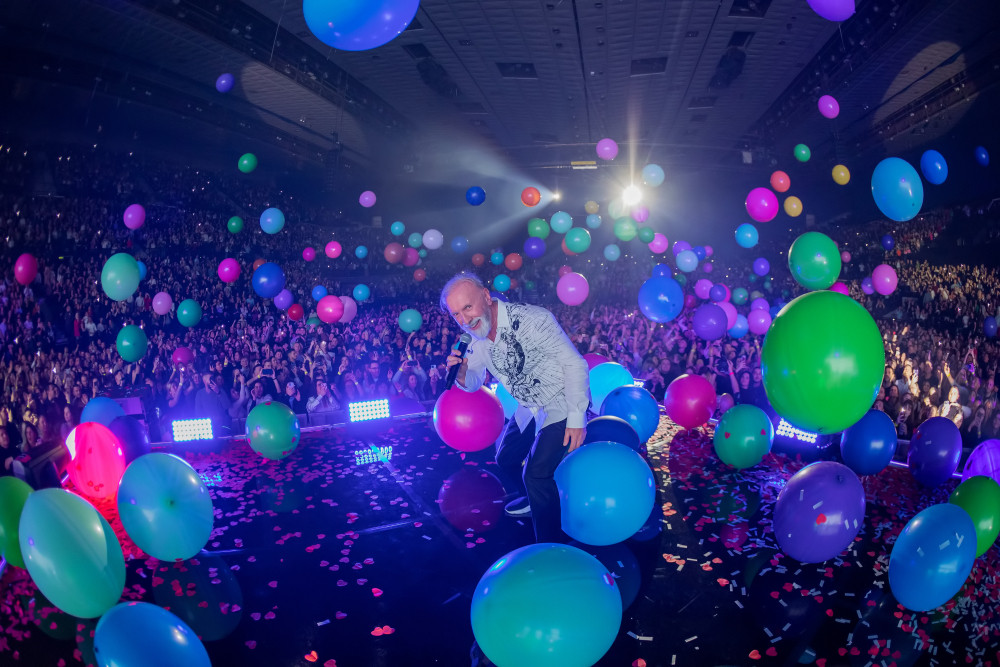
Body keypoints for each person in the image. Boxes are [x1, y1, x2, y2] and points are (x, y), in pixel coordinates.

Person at [441, 273, 590, 544]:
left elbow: (575, 364)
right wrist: (461, 373)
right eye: (456, 314)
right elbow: (473, 383)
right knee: (506, 459)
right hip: (529, 406)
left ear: (486, 297)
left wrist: (577, 418)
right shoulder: (474, 339)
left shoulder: (534, 319)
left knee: (535, 474)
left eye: (468, 307)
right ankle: (537, 502)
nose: (464, 320)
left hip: (561, 401)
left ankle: (552, 547)